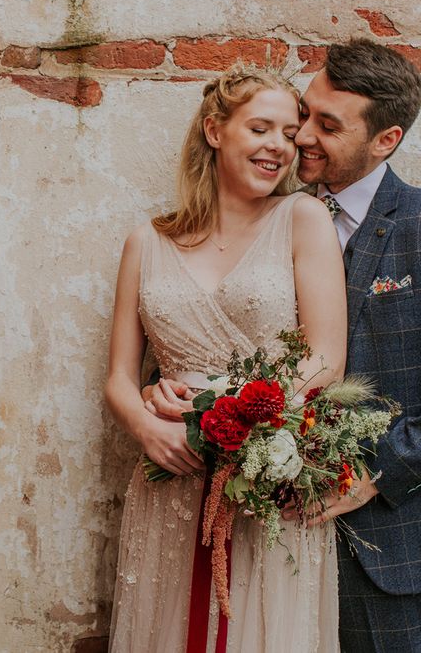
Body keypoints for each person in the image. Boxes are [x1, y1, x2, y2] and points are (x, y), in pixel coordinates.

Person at [146, 39, 421, 652]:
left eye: (327, 126)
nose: (300, 139)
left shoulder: (419, 229)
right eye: (306, 115)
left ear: (386, 140)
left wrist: (379, 472)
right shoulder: (269, 217)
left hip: (388, 552)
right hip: (265, 541)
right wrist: (167, 393)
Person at [105, 64, 347, 652]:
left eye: (289, 135)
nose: (278, 148)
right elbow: (117, 375)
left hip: (269, 477)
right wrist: (144, 423)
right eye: (260, 128)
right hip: (172, 473)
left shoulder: (302, 219)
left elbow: (325, 357)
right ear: (215, 131)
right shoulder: (146, 241)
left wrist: (248, 428)